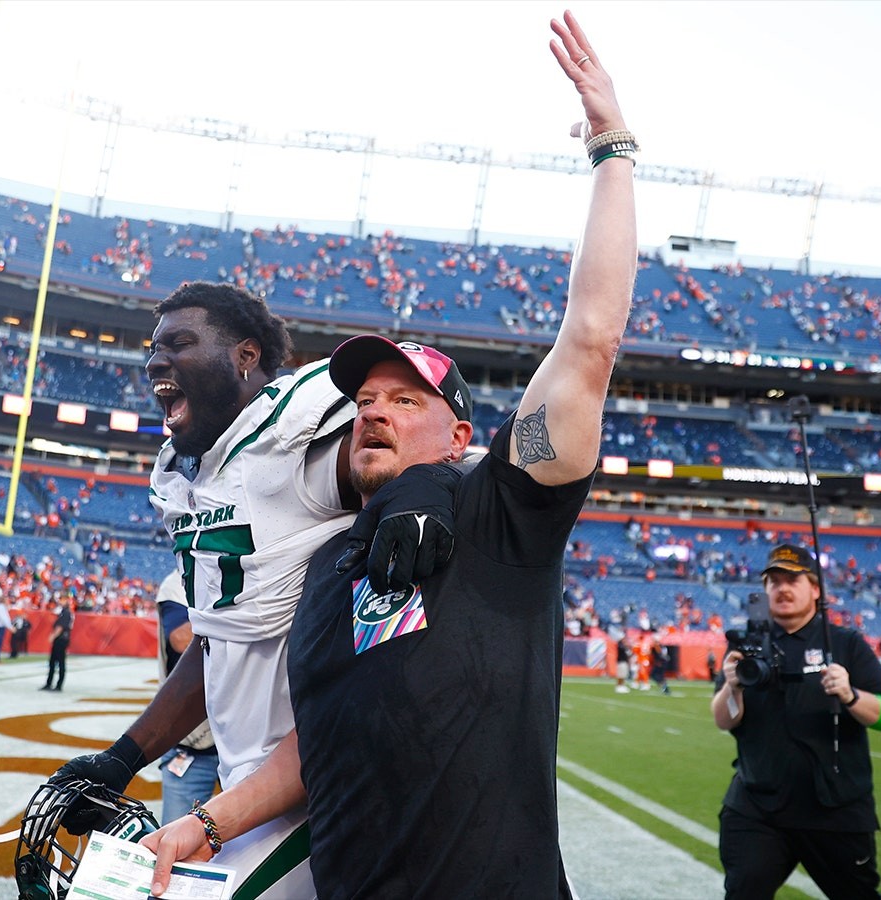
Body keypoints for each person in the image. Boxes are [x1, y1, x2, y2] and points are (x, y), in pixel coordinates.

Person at [140, 12, 636, 897]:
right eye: (365, 400)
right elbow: (315, 749)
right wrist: (199, 823)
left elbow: (590, 342)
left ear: (457, 435)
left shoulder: (501, 513)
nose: (376, 411)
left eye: (407, 400)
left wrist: (612, 148)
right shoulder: (325, 567)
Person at [52, 279, 453, 898]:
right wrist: (123, 756)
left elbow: (414, 446)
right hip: (246, 787)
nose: (157, 360)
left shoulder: (290, 435)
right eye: (155, 346)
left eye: (181, 342)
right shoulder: (189, 474)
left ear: (245, 356)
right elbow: (218, 642)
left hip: (321, 782)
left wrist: (425, 490)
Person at [711, 543, 881, 899]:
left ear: (815, 589)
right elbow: (724, 720)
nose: (782, 588)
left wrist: (851, 695)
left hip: (835, 809)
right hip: (758, 808)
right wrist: (732, 686)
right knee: (742, 892)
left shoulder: (846, 643)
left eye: (793, 580)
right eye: (774, 581)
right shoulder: (747, 646)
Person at [154, 570, 219, 823]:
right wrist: (234, 619)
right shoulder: (177, 583)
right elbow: (180, 639)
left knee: (258, 847)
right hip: (192, 742)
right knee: (177, 842)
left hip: (246, 739)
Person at [40, 595, 73, 692]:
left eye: (63, 600)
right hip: (60, 639)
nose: (60, 602)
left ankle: (58, 685)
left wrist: (53, 636)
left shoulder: (66, 613)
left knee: (60, 662)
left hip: (61, 639)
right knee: (52, 662)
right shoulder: (63, 612)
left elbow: (60, 627)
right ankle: (49, 683)